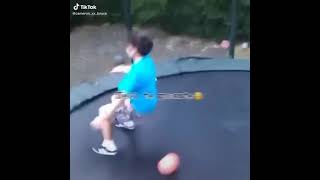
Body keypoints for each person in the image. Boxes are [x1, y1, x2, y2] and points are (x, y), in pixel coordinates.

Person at [90, 32, 158, 155]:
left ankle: (109, 146)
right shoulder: (148, 61)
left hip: (140, 108)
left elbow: (122, 97)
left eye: (129, 45)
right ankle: (126, 121)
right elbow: (137, 70)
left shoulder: (133, 76)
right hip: (149, 99)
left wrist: (104, 118)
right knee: (116, 98)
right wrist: (122, 68)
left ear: (134, 49)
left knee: (104, 112)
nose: (127, 47)